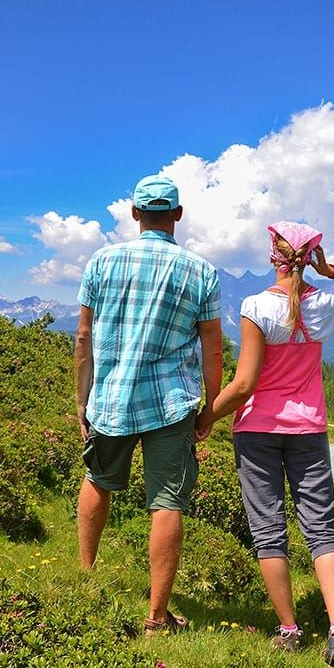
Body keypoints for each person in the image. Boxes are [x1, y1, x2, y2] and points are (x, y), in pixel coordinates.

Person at [196, 221, 334, 667]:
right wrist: (328, 269)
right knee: (321, 528)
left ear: (273, 257)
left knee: (268, 530)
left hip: (256, 431)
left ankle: (290, 630)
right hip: (309, 430)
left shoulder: (257, 306)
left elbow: (244, 385)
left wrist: (206, 417)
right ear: (308, 256)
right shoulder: (327, 303)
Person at [74, 174, 223, 636]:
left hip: (112, 397)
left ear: (135, 214)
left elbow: (83, 338)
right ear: (177, 215)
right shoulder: (202, 272)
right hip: (171, 404)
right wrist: (211, 408)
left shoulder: (101, 262)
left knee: (98, 480)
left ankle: (84, 577)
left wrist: (83, 402)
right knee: (167, 503)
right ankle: (157, 616)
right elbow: (213, 350)